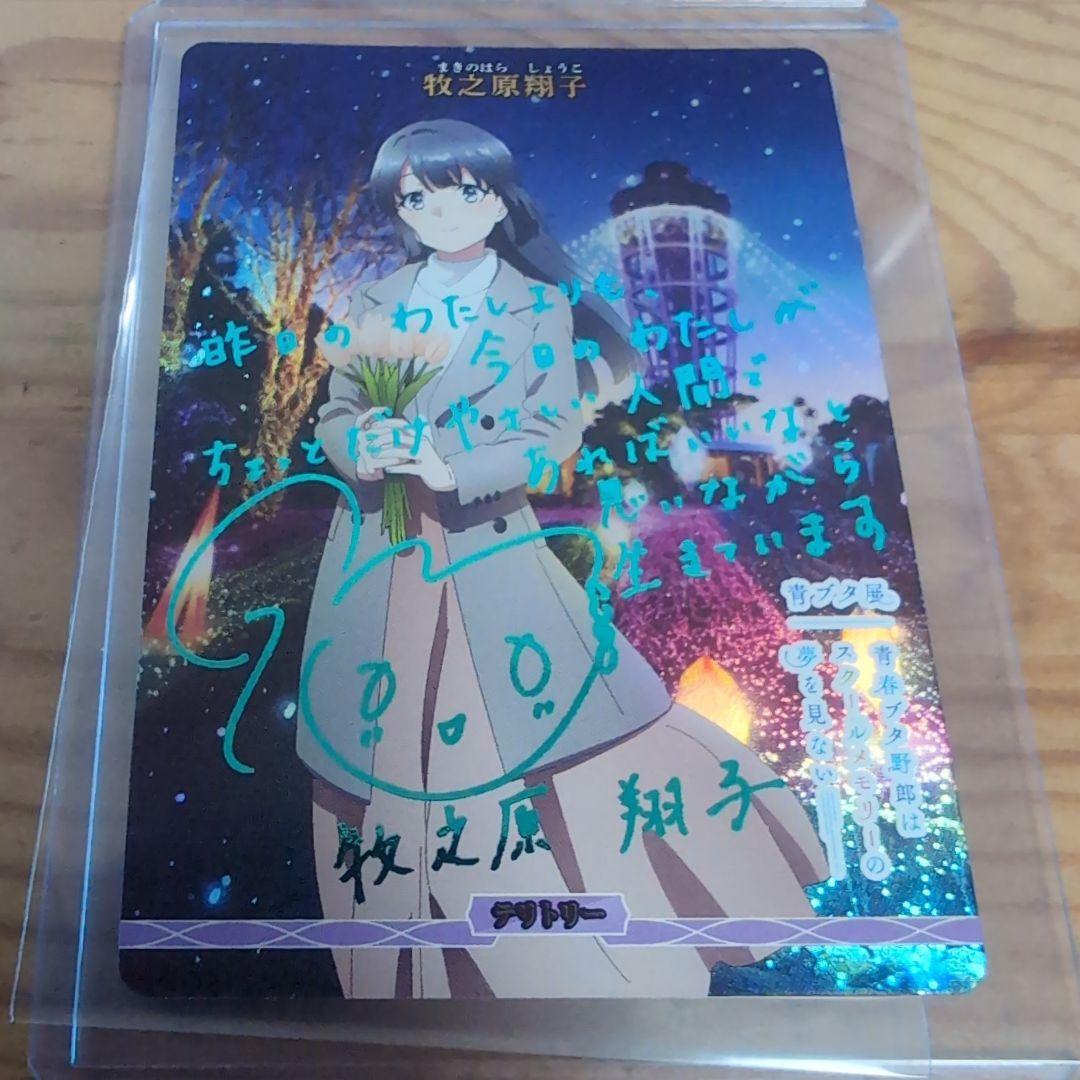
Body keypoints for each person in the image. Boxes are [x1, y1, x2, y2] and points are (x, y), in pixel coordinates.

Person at [301, 118, 826, 998]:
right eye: (416, 197)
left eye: (461, 191)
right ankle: (408, 949)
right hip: (378, 548)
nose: (437, 211)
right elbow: (337, 410)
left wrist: (451, 464)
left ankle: (557, 937)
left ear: (497, 200)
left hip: (483, 539)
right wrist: (365, 444)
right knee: (380, 733)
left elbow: (550, 430)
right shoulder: (376, 302)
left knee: (513, 718)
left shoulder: (536, 306)